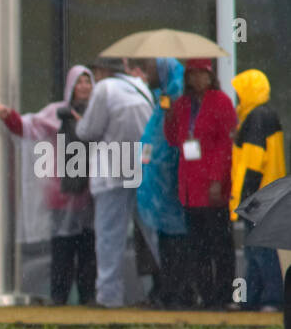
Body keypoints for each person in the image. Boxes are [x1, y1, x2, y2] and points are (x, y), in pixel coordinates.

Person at [0, 64, 95, 304]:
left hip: (92, 192)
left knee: (89, 250)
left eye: (87, 82)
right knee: (63, 248)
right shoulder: (56, 113)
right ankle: (59, 298)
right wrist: (9, 117)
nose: (84, 87)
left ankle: (89, 298)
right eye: (79, 82)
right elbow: (30, 127)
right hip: (63, 194)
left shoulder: (98, 112)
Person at [76, 56, 154, 307]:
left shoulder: (105, 89)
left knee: (110, 236)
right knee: (152, 234)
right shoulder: (142, 88)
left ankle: (109, 296)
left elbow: (87, 131)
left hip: (111, 173)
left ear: (101, 71)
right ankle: (170, 289)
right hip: (142, 170)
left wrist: (81, 123)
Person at [165, 58, 238, 309]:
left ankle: (225, 294)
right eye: (192, 75)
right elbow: (174, 139)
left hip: (212, 184)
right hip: (189, 184)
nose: (197, 80)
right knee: (197, 245)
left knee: (219, 243)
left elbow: (225, 146)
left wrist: (217, 179)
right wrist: (169, 114)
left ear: (210, 76)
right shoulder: (183, 104)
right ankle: (206, 295)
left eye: (202, 74)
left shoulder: (221, 102)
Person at [136, 58, 190, 308]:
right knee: (166, 241)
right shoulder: (163, 96)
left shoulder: (176, 96)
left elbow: (174, 139)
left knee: (176, 243)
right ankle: (169, 290)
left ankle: (178, 292)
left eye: (149, 68)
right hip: (161, 183)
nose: (146, 74)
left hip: (171, 183)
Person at [231, 69, 286, 311]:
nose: (237, 98)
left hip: (260, 196)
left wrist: (245, 197)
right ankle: (250, 299)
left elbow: (253, 163)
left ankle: (272, 298)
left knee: (260, 250)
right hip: (268, 194)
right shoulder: (262, 116)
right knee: (254, 250)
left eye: (239, 93)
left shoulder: (256, 118)